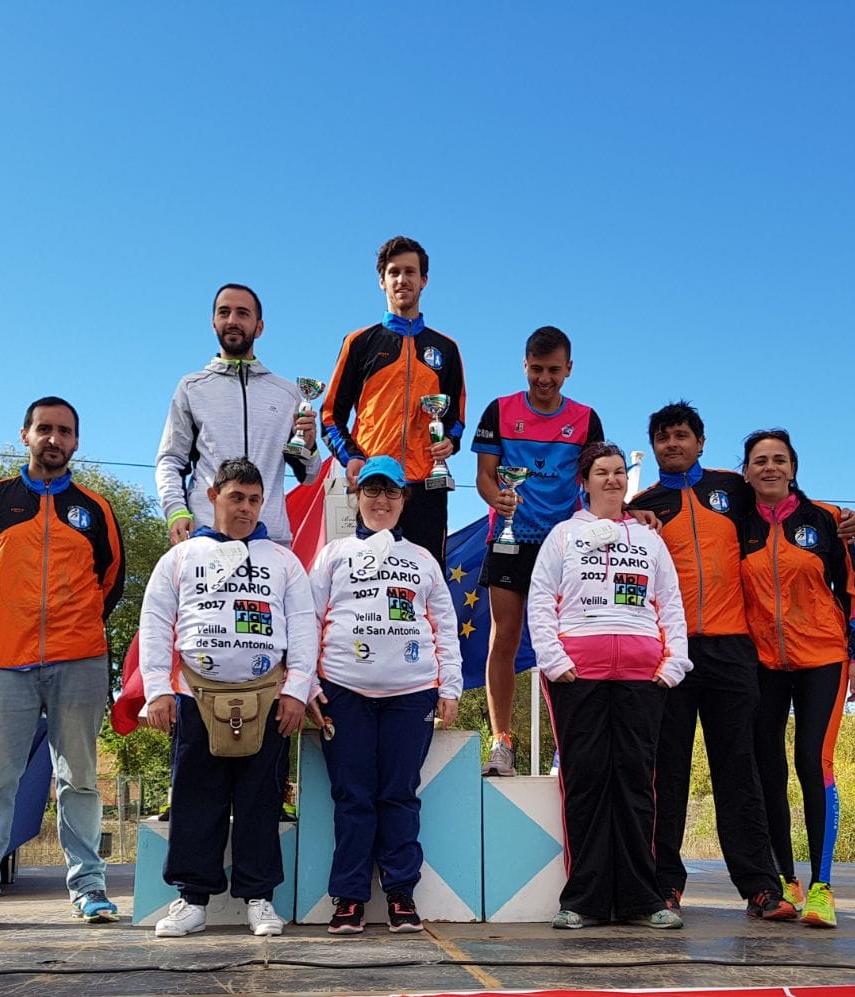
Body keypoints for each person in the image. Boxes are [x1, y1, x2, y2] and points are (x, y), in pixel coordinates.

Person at [629, 402, 855, 921]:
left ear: (701, 442)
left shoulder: (733, 488)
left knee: (742, 771)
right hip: (672, 651)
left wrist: (846, 520)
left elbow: (791, 504)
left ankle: (761, 886)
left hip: (735, 649)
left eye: (682, 435)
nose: (673, 444)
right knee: (668, 773)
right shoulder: (641, 506)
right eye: (663, 437)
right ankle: (665, 884)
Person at [0, 397, 126, 931]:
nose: (54, 439)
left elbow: (110, 580)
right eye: (44, 428)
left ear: (76, 442)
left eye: (64, 431)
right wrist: (3, 621)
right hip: (4, 661)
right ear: (25, 435)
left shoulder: (95, 508)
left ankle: (89, 888)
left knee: (81, 779)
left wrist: (75, 626)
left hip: (80, 660)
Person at [138, 458, 317, 938]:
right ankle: (191, 899)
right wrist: (157, 690)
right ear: (213, 496)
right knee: (196, 799)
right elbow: (155, 623)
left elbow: (303, 626)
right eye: (236, 497)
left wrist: (297, 690)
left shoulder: (283, 561)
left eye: (254, 500)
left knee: (262, 800)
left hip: (268, 697)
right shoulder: (180, 557)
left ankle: (260, 899)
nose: (245, 508)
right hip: (194, 697)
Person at [528, 442, 691, 930]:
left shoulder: (649, 539)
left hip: (643, 674)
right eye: (602, 472)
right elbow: (541, 599)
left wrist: (674, 663)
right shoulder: (563, 534)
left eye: (619, 472)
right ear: (585, 481)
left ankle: (644, 898)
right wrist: (553, 660)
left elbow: (670, 601)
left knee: (638, 783)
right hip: (578, 674)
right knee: (586, 782)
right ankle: (584, 900)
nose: (613, 479)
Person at [307, 456, 462, 934]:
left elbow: (445, 625)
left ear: (403, 499)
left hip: (412, 693)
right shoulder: (332, 554)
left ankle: (400, 893)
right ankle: (349, 897)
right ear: (357, 496)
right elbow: (308, 620)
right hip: (343, 691)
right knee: (352, 797)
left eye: (391, 491)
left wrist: (450, 685)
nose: (381, 501)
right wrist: (307, 685)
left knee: (399, 795)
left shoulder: (423, 559)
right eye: (372, 491)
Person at [738, 429, 855, 930]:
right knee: (767, 769)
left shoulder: (828, 520)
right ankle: (784, 880)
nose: (770, 467)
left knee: (813, 762)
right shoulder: (737, 522)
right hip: (762, 661)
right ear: (745, 472)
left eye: (779, 459)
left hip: (823, 656)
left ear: (793, 468)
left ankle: (822, 887)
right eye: (759, 461)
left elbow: (852, 591)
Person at [472, 325, 604, 777]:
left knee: (567, 643)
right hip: (511, 539)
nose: (544, 379)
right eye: (536, 369)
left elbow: (595, 479)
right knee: (504, 637)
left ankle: (567, 744)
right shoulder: (500, 410)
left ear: (569, 369)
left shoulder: (586, 418)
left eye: (553, 370)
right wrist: (497, 498)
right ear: (524, 365)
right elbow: (485, 476)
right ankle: (502, 742)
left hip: (564, 544)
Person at [321, 236, 466, 565]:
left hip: (427, 485)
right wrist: (352, 457)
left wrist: (450, 442)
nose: (402, 279)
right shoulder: (359, 342)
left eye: (410, 272)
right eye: (394, 272)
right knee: (364, 578)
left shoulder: (446, 348)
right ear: (382, 281)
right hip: (374, 484)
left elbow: (456, 418)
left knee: (426, 577)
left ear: (424, 280)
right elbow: (330, 415)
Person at [155, 283, 319, 547]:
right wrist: (176, 510)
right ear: (213, 323)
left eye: (242, 313)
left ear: (259, 327)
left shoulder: (287, 393)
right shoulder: (192, 387)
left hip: (270, 540)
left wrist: (308, 447)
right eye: (224, 312)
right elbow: (170, 459)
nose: (232, 320)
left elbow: (310, 476)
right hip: (207, 536)